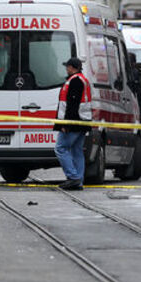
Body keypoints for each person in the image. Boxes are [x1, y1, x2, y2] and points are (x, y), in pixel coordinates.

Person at [54, 57, 91, 190]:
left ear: (72, 67)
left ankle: (73, 177)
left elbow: (71, 104)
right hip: (82, 121)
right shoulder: (81, 80)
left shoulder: (75, 81)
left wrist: (66, 124)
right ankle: (78, 180)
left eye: (67, 66)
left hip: (74, 122)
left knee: (60, 148)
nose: (66, 68)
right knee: (77, 151)